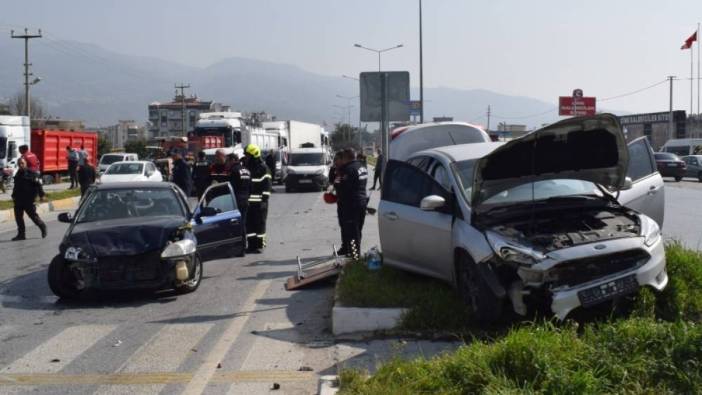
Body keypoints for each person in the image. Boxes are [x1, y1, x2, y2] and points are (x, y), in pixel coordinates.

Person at [334, 148, 368, 257]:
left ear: (346, 157)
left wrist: (336, 183)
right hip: (362, 202)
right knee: (358, 230)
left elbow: (341, 186)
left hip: (351, 204)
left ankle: (355, 256)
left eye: (343, 158)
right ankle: (353, 252)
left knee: (353, 232)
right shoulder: (362, 166)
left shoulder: (348, 169)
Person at [244, 144, 272, 253]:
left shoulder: (263, 168)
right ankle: (251, 245)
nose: (246, 157)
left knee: (260, 225)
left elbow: (267, 185)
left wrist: (263, 200)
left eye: (247, 155)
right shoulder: (247, 167)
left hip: (260, 203)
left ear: (254, 155)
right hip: (249, 203)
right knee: (249, 225)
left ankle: (260, 245)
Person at [11, 157, 47, 241]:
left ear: (26, 163)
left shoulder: (32, 173)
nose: (21, 165)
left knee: (33, 216)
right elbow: (16, 185)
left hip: (29, 199)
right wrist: (13, 195)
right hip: (18, 199)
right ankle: (21, 234)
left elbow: (39, 185)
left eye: (22, 163)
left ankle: (42, 226)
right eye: (19, 163)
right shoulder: (18, 173)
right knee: (18, 218)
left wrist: (42, 195)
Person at [228, 154, 251, 252]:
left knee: (235, 224)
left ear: (233, 160)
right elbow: (251, 186)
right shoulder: (246, 170)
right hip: (245, 199)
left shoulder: (234, 171)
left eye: (228, 161)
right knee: (243, 223)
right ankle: (243, 245)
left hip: (236, 200)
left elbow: (231, 187)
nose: (227, 163)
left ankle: (238, 246)